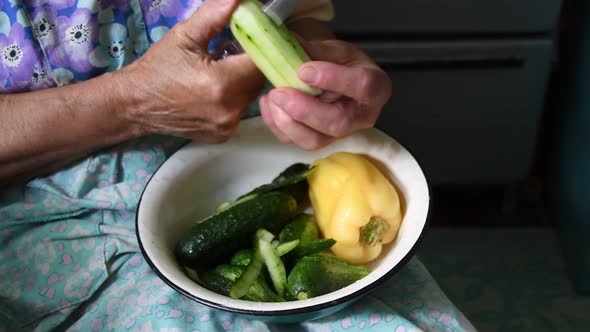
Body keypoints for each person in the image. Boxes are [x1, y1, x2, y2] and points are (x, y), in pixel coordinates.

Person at [0, 0, 476, 331]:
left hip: (275, 168)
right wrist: (133, 102)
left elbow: (293, 15)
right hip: (56, 214)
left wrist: (319, 75)